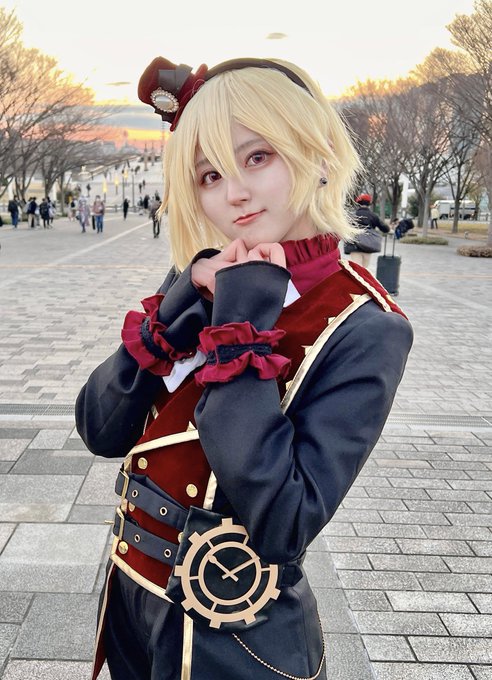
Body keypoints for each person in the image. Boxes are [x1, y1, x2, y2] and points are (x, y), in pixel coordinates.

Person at [75, 56, 413, 680]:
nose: (233, 193)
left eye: (258, 157)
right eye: (210, 174)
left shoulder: (366, 325)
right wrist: (172, 314)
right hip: (129, 606)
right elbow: (101, 429)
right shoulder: (202, 276)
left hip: (231, 644)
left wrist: (243, 326)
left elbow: (286, 520)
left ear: (317, 154)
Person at [344, 193, 390, 268]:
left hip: (354, 245)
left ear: (358, 203)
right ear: (369, 203)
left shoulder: (353, 215)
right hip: (368, 245)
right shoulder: (373, 216)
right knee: (364, 269)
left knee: (356, 268)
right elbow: (385, 229)